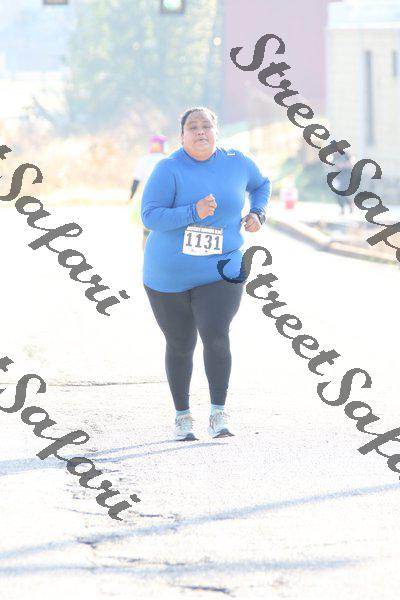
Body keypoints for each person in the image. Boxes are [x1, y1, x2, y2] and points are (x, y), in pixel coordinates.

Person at [141, 107, 271, 441]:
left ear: (216, 131)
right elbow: (150, 216)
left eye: (206, 126)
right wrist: (192, 212)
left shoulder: (237, 162)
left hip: (222, 267)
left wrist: (258, 213)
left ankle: (218, 413)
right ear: (181, 135)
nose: (200, 132)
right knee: (180, 343)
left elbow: (261, 184)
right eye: (192, 127)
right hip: (168, 273)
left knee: (216, 334)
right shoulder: (168, 169)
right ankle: (182, 417)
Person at [130, 134, 168, 249]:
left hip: (146, 199)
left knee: (146, 231)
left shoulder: (144, 160)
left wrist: (131, 197)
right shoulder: (168, 160)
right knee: (161, 232)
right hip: (165, 200)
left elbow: (136, 180)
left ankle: (146, 255)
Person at [333, 148, 354, 215]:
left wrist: (343, 165)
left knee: (342, 190)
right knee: (337, 192)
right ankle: (344, 207)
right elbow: (332, 163)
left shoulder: (347, 154)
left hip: (347, 175)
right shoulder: (335, 155)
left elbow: (351, 164)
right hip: (339, 175)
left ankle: (347, 206)